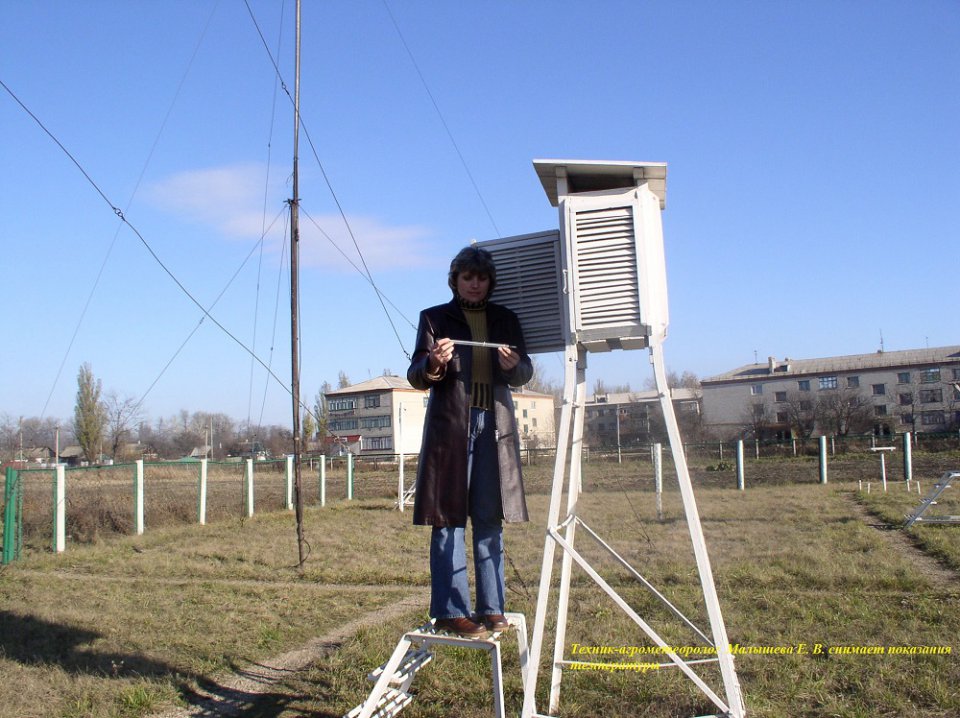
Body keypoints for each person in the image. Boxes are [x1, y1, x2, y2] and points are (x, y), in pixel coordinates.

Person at [407, 245, 533, 638]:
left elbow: (524, 371)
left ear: (489, 281)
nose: (475, 284)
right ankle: (450, 611)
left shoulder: (506, 319)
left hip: (495, 427)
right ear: (455, 280)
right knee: (447, 520)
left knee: (489, 516)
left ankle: (492, 607)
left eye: (481, 278)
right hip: (451, 429)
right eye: (467, 278)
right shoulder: (434, 318)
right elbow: (415, 374)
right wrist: (434, 364)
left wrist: (516, 368)